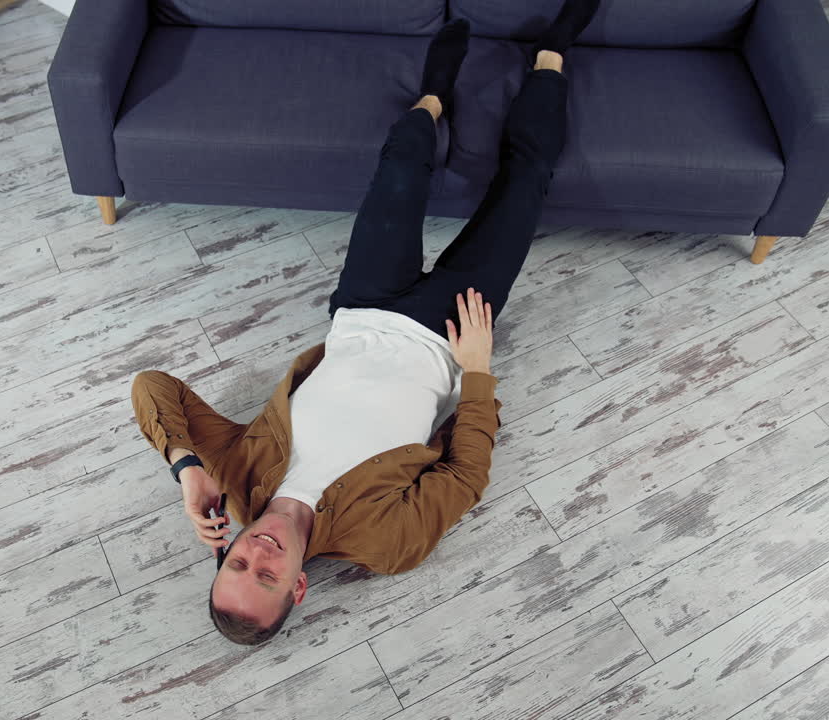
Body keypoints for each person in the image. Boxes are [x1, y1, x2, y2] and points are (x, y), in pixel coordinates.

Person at [131, 0, 601, 646]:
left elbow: (152, 387)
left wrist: (186, 467)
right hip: (448, 333)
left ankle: (434, 95)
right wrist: (477, 372)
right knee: (524, 187)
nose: (258, 553)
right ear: (298, 587)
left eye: (238, 563)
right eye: (267, 576)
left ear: (228, 550)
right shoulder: (384, 544)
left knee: (401, 166)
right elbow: (464, 479)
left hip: (363, 304)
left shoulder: (234, 480)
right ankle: (552, 53)